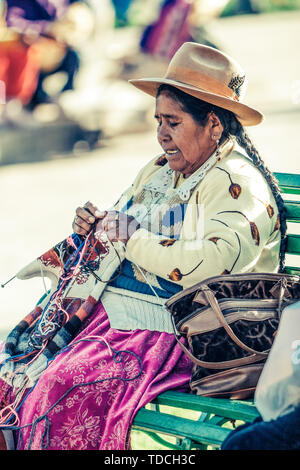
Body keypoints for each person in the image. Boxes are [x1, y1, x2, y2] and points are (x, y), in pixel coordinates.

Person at [0, 42, 287, 450]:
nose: (162, 136)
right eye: (158, 121)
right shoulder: (159, 170)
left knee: (65, 383)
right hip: (125, 318)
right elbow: (123, 222)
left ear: (214, 125)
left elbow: (211, 265)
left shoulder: (236, 183)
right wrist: (95, 227)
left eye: (173, 122)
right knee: (18, 363)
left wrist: (129, 234)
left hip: (187, 331)